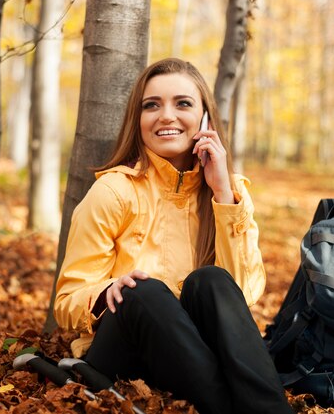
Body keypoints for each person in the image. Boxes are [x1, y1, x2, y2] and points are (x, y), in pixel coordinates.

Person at [54, 58, 293, 414]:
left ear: (205, 119)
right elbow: (66, 301)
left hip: (196, 353)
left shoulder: (230, 192)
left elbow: (241, 294)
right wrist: (107, 292)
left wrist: (223, 197)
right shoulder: (114, 191)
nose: (166, 115)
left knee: (210, 279)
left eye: (182, 103)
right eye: (152, 105)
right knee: (143, 290)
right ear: (138, 120)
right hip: (123, 353)